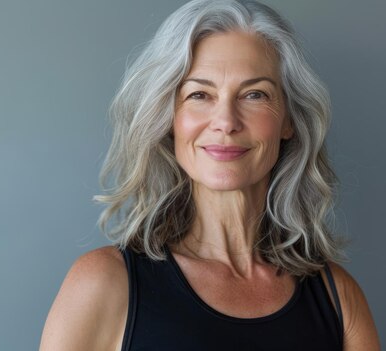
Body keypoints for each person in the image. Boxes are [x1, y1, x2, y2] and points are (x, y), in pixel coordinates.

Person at [39, 0, 380, 350]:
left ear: (289, 121)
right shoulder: (105, 283)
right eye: (199, 94)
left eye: (254, 94)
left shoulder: (336, 297)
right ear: (169, 118)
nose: (226, 122)